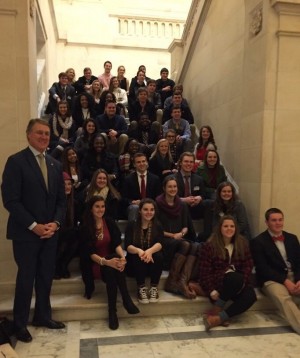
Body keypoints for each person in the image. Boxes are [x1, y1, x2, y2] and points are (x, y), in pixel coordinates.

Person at [1, 119, 66, 343]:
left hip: (50, 233)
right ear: (28, 135)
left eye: (47, 134)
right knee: (26, 279)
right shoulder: (16, 162)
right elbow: (11, 200)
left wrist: (55, 224)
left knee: (45, 277)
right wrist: (34, 226)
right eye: (39, 133)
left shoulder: (55, 164)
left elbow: (61, 201)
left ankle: (42, 316)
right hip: (25, 234)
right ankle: (19, 324)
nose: (44, 137)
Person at [79, 196, 139, 330]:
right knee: (112, 266)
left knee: (113, 268)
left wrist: (122, 257)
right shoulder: (85, 227)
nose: (101, 209)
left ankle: (113, 312)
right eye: (97, 206)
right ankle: (125, 299)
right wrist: (106, 262)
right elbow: (89, 254)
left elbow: (117, 243)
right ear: (91, 209)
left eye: (102, 206)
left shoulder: (109, 222)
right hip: (95, 263)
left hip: (111, 262)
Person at [199, 215, 256, 331]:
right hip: (219, 283)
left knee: (251, 296)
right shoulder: (210, 246)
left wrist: (243, 283)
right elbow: (204, 271)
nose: (229, 229)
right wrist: (211, 290)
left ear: (236, 228)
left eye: (232, 226)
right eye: (225, 226)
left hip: (239, 282)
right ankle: (218, 308)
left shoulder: (242, 243)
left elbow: (248, 265)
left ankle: (218, 318)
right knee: (235, 278)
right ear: (220, 228)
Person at [251, 208, 300, 334]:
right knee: (284, 298)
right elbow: (263, 269)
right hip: (271, 279)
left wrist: (299, 279)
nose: (278, 223)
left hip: (293, 276)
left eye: (280, 220)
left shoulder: (292, 238)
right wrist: (285, 281)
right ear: (267, 222)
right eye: (274, 220)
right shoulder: (258, 242)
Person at [125, 199, 164, 304]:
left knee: (159, 255)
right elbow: (128, 246)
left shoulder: (158, 225)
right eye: (145, 209)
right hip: (134, 265)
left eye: (152, 210)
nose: (149, 212)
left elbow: (160, 244)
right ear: (139, 211)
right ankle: (141, 288)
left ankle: (154, 288)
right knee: (137, 255)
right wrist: (139, 251)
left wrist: (149, 251)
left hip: (151, 264)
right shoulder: (131, 225)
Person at [156, 176, 196, 272]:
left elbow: (186, 227)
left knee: (195, 247)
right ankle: (174, 273)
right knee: (185, 245)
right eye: (170, 187)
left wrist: (180, 234)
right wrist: (173, 235)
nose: (173, 189)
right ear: (164, 188)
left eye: (175, 186)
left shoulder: (182, 204)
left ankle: (179, 274)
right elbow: (156, 228)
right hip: (163, 238)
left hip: (179, 237)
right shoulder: (157, 204)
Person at [175, 152, 214, 240]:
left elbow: (203, 195)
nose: (189, 164)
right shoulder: (172, 178)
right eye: (186, 161)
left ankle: (207, 235)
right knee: (183, 205)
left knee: (209, 203)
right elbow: (168, 197)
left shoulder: (198, 179)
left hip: (194, 207)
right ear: (180, 162)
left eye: (191, 162)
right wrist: (184, 200)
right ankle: (191, 237)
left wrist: (199, 198)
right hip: (179, 209)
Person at [121, 152, 161, 221]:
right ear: (134, 164)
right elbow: (123, 198)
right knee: (134, 208)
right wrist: (132, 201)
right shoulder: (128, 179)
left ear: (147, 163)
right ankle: (133, 231)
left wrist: (148, 203)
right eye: (138, 162)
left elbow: (158, 197)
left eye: (143, 161)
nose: (142, 164)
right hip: (135, 207)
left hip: (150, 206)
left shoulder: (155, 179)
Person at [54, 172, 79, 279]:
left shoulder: (75, 203)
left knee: (77, 235)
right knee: (69, 236)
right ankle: (58, 265)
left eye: (69, 184)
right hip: (55, 232)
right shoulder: (53, 202)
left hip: (68, 234)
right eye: (64, 184)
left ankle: (63, 264)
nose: (67, 187)